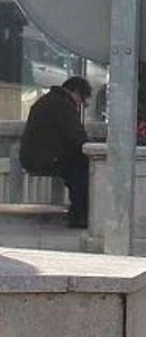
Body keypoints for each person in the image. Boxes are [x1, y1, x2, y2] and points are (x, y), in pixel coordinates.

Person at [20, 76, 92, 228]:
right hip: (45, 158)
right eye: (82, 99)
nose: (80, 104)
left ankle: (79, 213)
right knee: (83, 170)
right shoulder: (63, 105)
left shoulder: (49, 100)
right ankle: (80, 215)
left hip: (35, 155)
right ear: (76, 92)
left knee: (77, 167)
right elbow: (76, 137)